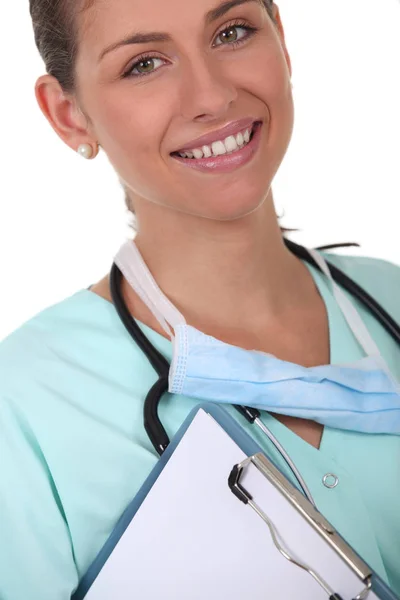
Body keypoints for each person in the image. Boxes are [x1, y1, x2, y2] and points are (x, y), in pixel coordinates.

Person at [0, 0, 399, 598]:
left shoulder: (388, 295)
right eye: (144, 64)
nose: (211, 95)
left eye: (232, 32)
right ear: (68, 115)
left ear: (281, 38)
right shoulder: (26, 404)